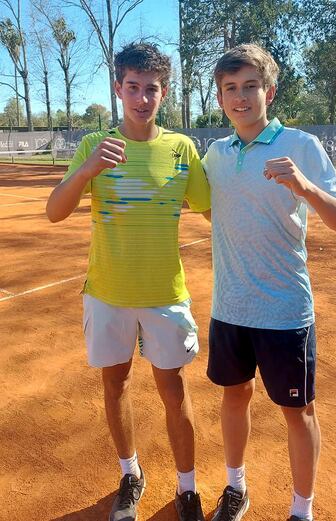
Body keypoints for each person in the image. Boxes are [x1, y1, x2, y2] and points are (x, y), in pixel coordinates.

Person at [46, 43, 210, 521]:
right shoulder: (93, 146)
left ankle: (187, 488)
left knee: (174, 391)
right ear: (118, 89)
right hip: (107, 295)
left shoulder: (181, 149)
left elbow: (214, 209)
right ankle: (130, 474)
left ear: (164, 92)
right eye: (133, 87)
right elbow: (55, 211)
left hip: (165, 295)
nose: (142, 98)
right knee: (115, 384)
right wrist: (89, 168)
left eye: (151, 89)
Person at [201, 44, 336, 521]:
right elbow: (203, 206)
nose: (240, 97)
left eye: (251, 86)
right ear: (220, 98)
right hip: (229, 307)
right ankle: (236, 488)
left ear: (269, 91)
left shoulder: (301, 146)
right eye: (230, 88)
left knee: (298, 412)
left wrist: (304, 187)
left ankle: (301, 510)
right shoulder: (216, 154)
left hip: (284, 310)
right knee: (234, 396)